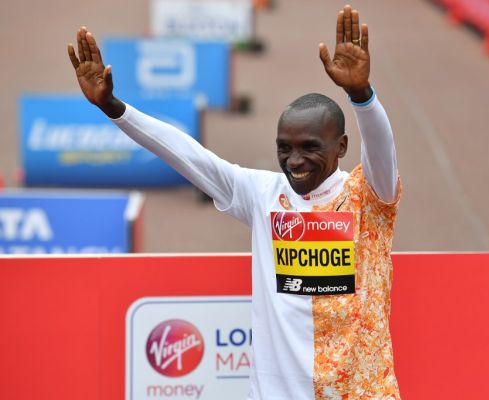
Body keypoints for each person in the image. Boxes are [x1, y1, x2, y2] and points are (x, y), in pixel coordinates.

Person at [69, 4, 402, 399]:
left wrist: (361, 95)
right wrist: (114, 108)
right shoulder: (262, 195)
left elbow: (382, 148)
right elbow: (188, 154)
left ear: (342, 147)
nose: (294, 161)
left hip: (362, 391)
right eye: (284, 148)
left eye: (310, 147)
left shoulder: (369, 196)